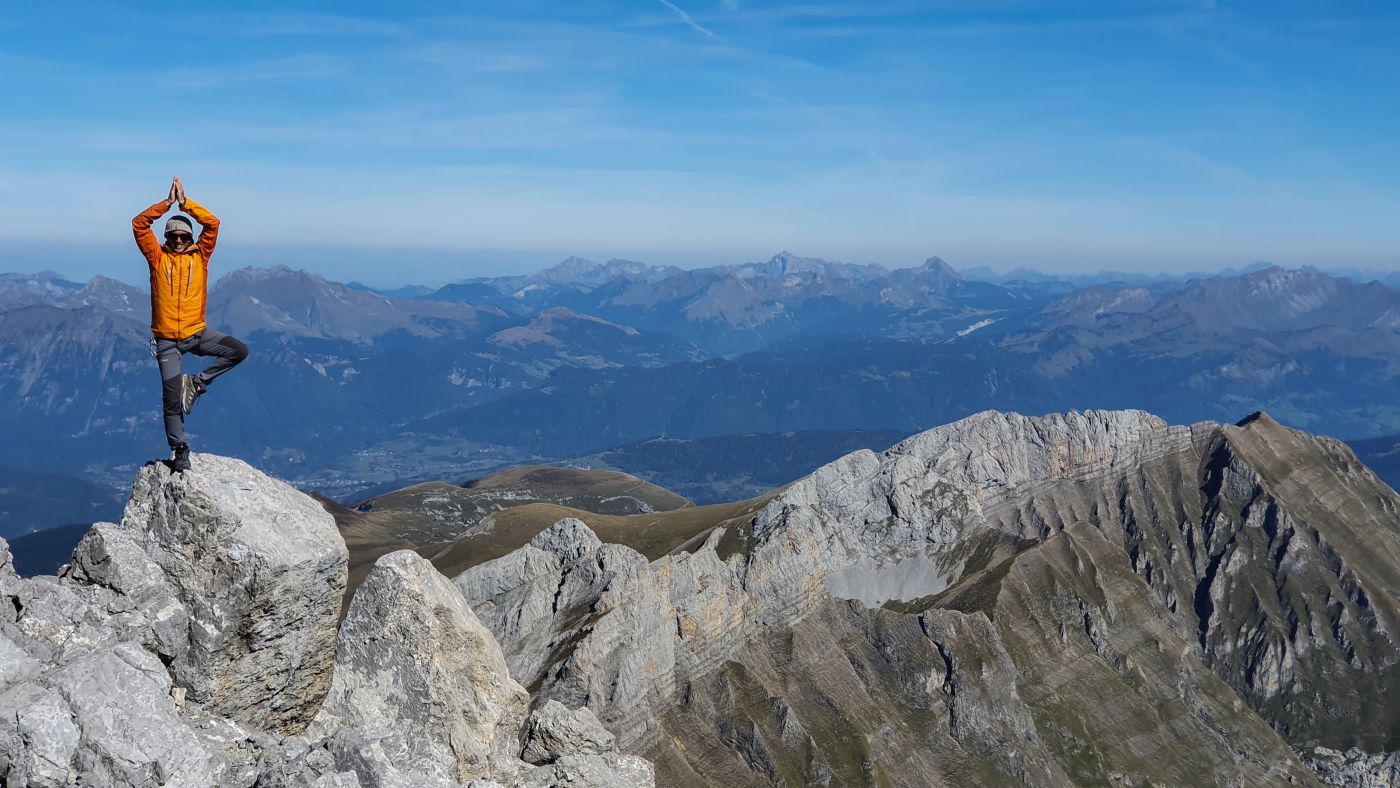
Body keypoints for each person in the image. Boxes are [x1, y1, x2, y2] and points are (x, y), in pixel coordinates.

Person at [132, 177, 249, 472]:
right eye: (174, 237)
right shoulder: (157, 257)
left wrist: (186, 204)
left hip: (197, 334)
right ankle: (179, 448)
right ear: (167, 239)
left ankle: (197, 383)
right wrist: (166, 204)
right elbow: (139, 224)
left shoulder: (202, 255)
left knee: (238, 351)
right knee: (171, 398)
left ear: (191, 237)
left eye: (184, 236)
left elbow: (213, 224)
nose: (180, 241)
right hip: (167, 341)